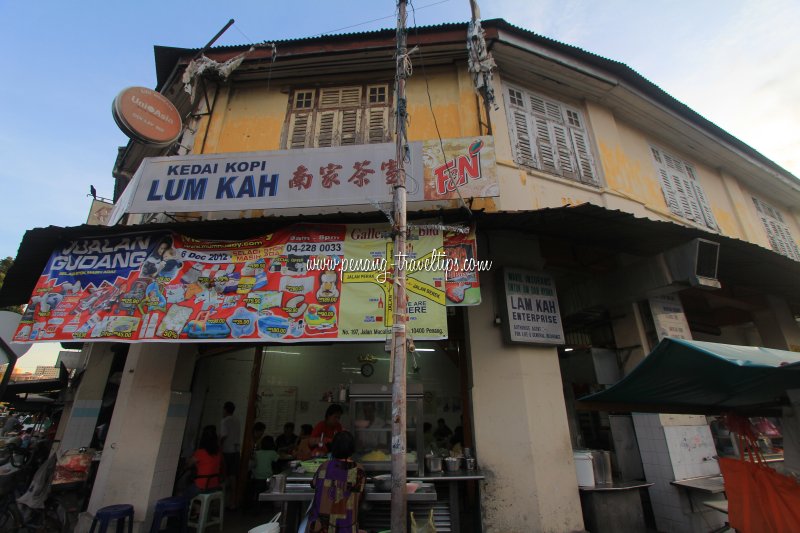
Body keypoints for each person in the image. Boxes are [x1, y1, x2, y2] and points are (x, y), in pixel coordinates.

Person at [306, 431, 366, 533]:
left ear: (334, 448)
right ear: (352, 449)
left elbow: (314, 484)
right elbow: (360, 496)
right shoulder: (359, 470)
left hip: (320, 529)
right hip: (346, 529)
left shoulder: (324, 466)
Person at [184, 425, 224, 499]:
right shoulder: (218, 453)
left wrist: (188, 459)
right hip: (214, 485)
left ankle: (191, 508)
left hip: (202, 486)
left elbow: (188, 464)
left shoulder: (200, 453)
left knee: (183, 493)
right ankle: (198, 508)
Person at [220, 401, 242, 509]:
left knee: (224, 476)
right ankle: (233, 502)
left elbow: (223, 436)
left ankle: (221, 502)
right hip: (236, 451)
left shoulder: (225, 421)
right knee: (233, 477)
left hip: (227, 451)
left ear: (225, 409)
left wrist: (219, 446)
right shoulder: (237, 420)